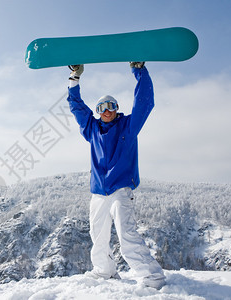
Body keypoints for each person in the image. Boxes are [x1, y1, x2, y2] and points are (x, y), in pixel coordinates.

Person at [66, 63, 166, 289]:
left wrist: (140, 71)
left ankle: (152, 278)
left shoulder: (128, 127)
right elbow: (76, 107)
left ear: (116, 108)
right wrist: (74, 78)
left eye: (111, 106)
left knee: (126, 234)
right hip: (99, 193)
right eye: (102, 107)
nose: (107, 110)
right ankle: (104, 272)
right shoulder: (92, 129)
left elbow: (144, 103)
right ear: (98, 111)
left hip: (121, 190)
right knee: (97, 236)